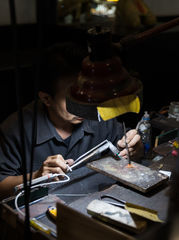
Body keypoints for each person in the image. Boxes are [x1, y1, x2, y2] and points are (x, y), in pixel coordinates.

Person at [0, 42, 143, 200]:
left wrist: (134, 148)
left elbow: (127, 151)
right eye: (72, 99)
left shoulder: (99, 113)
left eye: (85, 94)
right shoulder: (15, 129)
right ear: (46, 99)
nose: (83, 106)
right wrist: (37, 176)